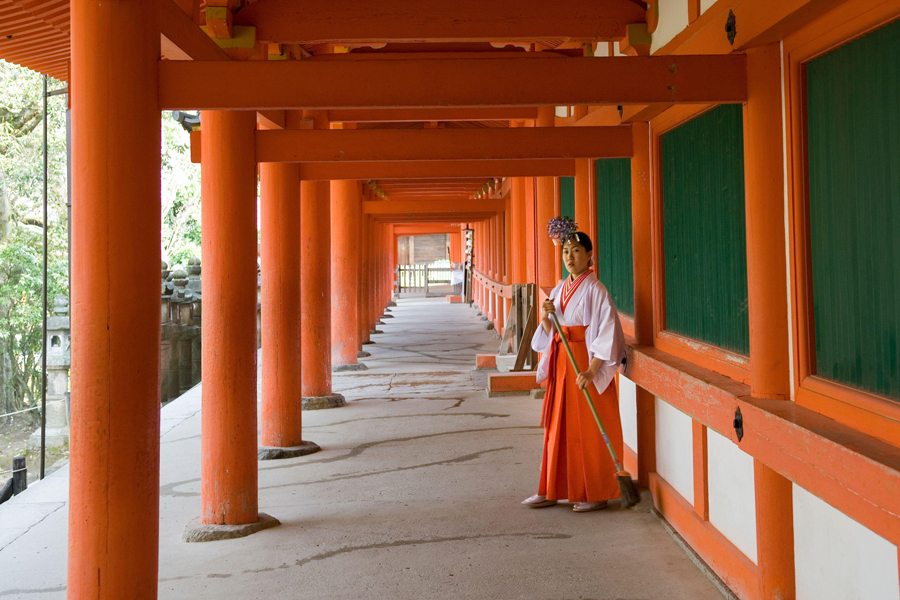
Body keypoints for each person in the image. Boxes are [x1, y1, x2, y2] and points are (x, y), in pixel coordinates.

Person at [522, 232, 626, 512]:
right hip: (562, 360)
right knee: (558, 427)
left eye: (577, 250)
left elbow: (608, 333)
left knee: (589, 428)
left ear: (590, 256)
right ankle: (552, 488)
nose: (570, 256)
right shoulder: (558, 290)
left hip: (584, 362)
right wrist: (545, 318)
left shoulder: (596, 290)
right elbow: (551, 331)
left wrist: (592, 371)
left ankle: (595, 492)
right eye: (566, 251)